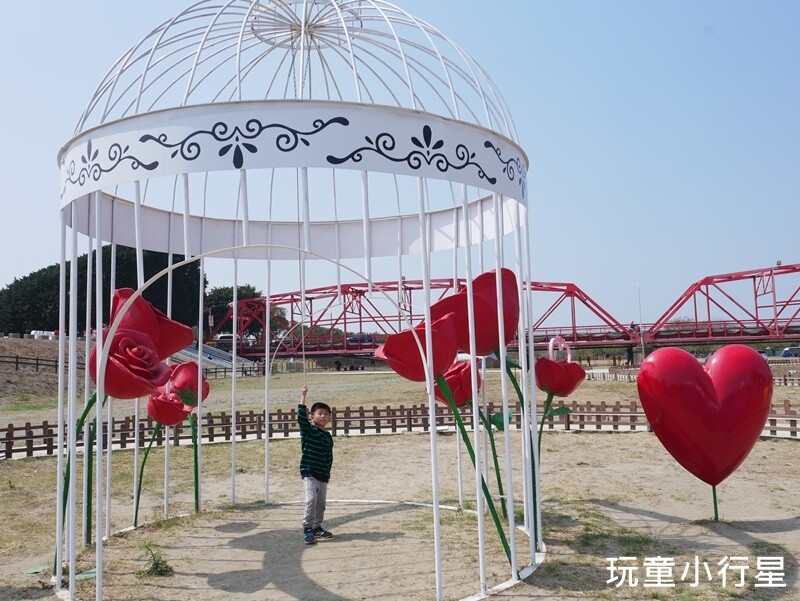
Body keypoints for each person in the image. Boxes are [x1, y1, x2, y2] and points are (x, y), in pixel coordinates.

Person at [297, 384, 334, 545]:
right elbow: (300, 417)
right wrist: (303, 396)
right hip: (309, 471)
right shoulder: (309, 430)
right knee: (311, 499)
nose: (323, 416)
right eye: (320, 413)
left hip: (323, 474)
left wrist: (327, 474)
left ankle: (317, 527)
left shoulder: (327, 436)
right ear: (312, 416)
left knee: (321, 503)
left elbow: (329, 457)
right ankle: (308, 529)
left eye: (326, 414)